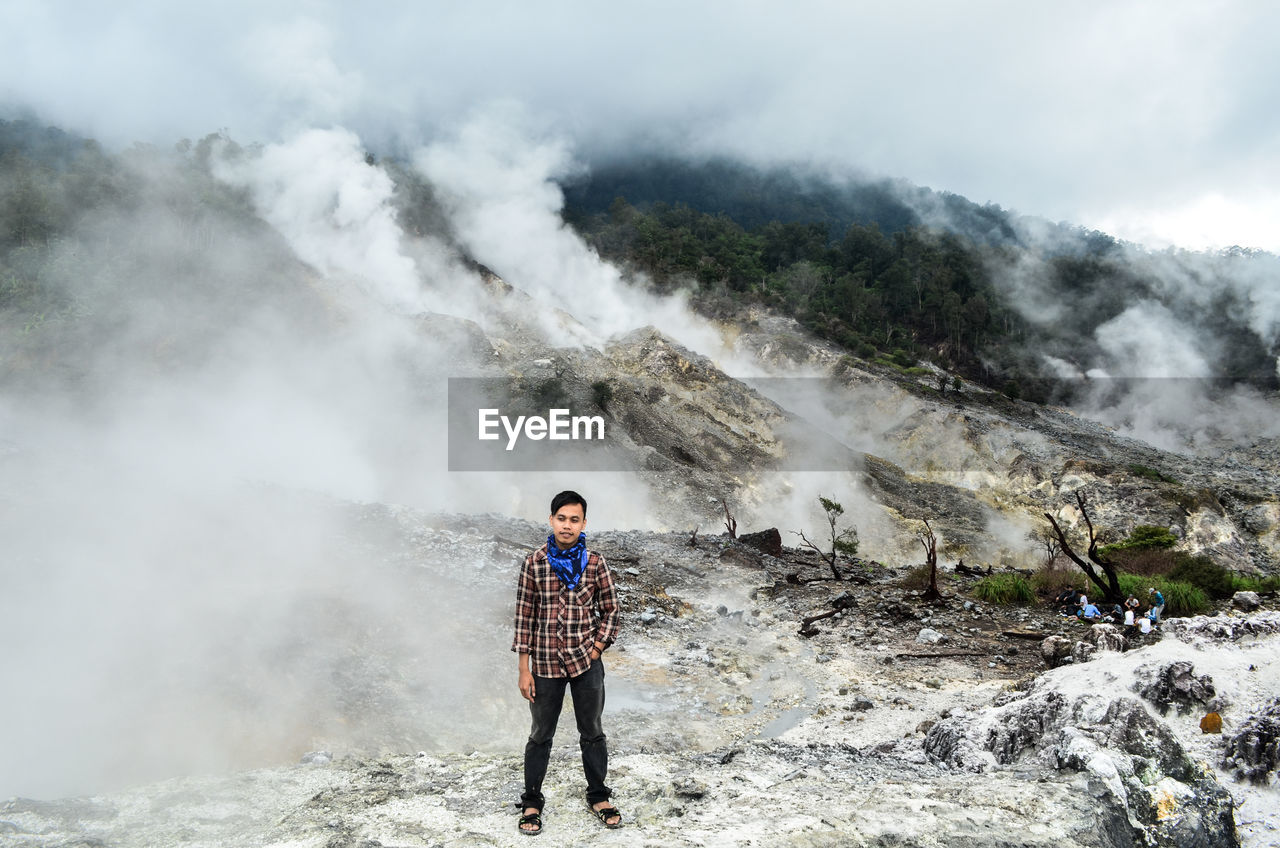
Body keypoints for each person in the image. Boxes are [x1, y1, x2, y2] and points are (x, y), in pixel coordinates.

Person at [513, 491, 622, 836]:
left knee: (591, 730)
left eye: (575, 519)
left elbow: (612, 610)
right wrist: (523, 668)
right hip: (544, 665)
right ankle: (532, 800)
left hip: (586, 664)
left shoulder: (595, 563)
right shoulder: (535, 562)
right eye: (562, 518)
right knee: (540, 734)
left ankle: (599, 795)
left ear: (584, 524)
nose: (567, 525)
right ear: (551, 520)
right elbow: (524, 617)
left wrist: (596, 648)